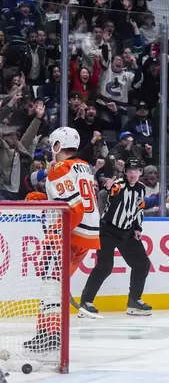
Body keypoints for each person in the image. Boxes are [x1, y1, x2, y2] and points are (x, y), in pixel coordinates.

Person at [23, 125, 102, 352]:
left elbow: (74, 208)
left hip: (70, 234)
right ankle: (49, 333)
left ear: (58, 146)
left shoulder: (59, 168)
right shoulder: (83, 166)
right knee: (54, 285)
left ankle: (48, 334)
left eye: (52, 146)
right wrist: (41, 198)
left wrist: (57, 236)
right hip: (87, 237)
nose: (51, 151)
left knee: (50, 285)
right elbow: (72, 199)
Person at [80, 158, 156, 318]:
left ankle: (134, 301)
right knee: (105, 266)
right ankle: (86, 302)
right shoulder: (118, 185)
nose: (133, 174)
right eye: (130, 171)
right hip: (108, 231)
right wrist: (108, 188)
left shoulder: (141, 189)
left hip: (127, 232)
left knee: (142, 264)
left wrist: (137, 227)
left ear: (140, 173)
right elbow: (110, 192)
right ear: (125, 172)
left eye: (136, 171)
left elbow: (139, 210)